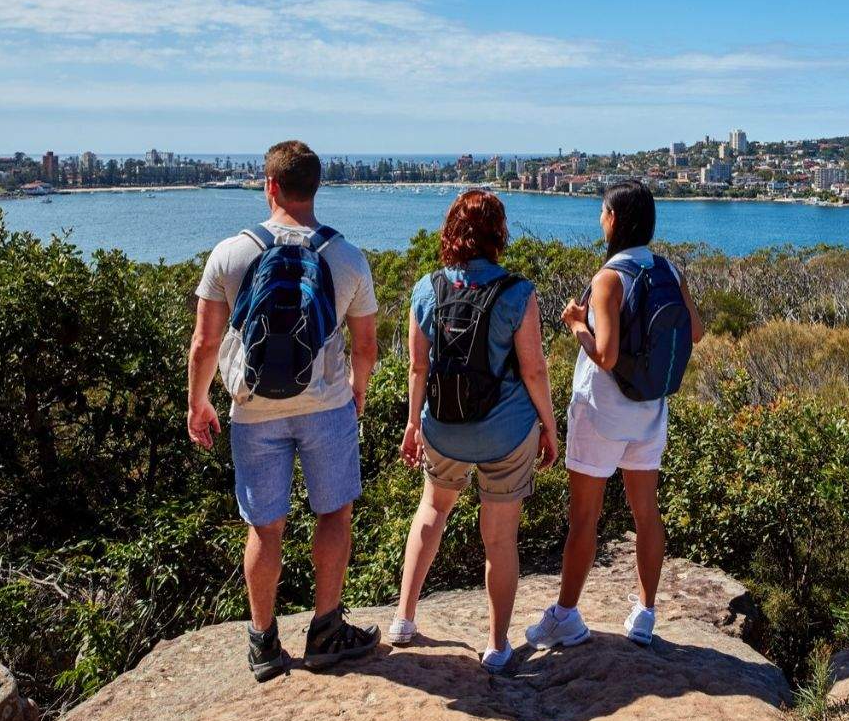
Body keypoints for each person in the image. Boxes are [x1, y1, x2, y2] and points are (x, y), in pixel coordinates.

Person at [186, 140, 382, 682]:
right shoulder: (346, 257)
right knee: (333, 514)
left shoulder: (231, 252)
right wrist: (356, 391)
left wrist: (198, 403)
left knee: (264, 529)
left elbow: (205, 343)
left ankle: (264, 643)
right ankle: (325, 630)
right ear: (316, 188)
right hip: (327, 407)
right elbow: (365, 346)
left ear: (269, 185)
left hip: (252, 411)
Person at [525, 179, 702, 650]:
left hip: (601, 413)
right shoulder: (668, 270)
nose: (599, 219)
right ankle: (645, 613)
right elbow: (697, 332)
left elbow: (603, 355)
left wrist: (576, 324)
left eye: (602, 211)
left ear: (614, 220)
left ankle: (566, 616)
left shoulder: (608, 278)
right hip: (648, 411)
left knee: (585, 518)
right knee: (647, 513)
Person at [391, 190, 559, 672]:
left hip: (442, 427)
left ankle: (403, 619)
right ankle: (496, 645)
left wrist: (411, 423)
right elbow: (535, 372)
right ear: (497, 234)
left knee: (431, 510)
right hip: (505, 432)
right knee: (500, 538)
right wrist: (549, 427)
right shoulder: (518, 292)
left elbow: (418, 368)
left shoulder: (426, 288)